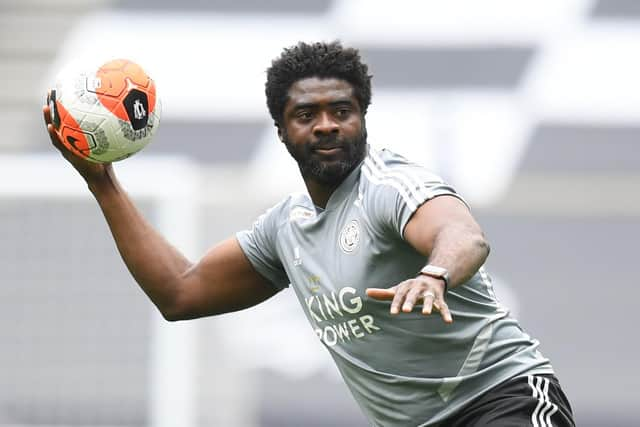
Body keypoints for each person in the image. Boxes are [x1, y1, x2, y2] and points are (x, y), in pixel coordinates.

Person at [43, 41, 575, 427]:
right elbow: (181, 292)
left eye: (341, 111)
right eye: (306, 114)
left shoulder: (388, 185)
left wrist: (435, 273)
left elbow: (462, 234)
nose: (326, 125)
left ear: (363, 118)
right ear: (282, 130)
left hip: (503, 402)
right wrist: (103, 183)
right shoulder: (285, 229)